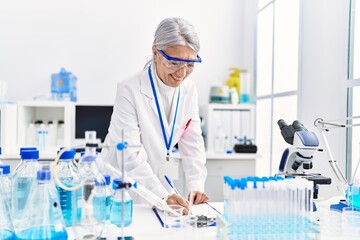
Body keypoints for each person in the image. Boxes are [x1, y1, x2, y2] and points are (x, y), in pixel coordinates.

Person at [101, 17, 208, 212]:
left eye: (190, 65)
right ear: (155, 53)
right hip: (120, 183)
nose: (182, 73)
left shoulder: (189, 90)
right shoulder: (129, 89)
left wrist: (196, 185)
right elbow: (130, 155)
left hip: (158, 184)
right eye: (175, 63)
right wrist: (162, 196)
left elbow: (193, 143)